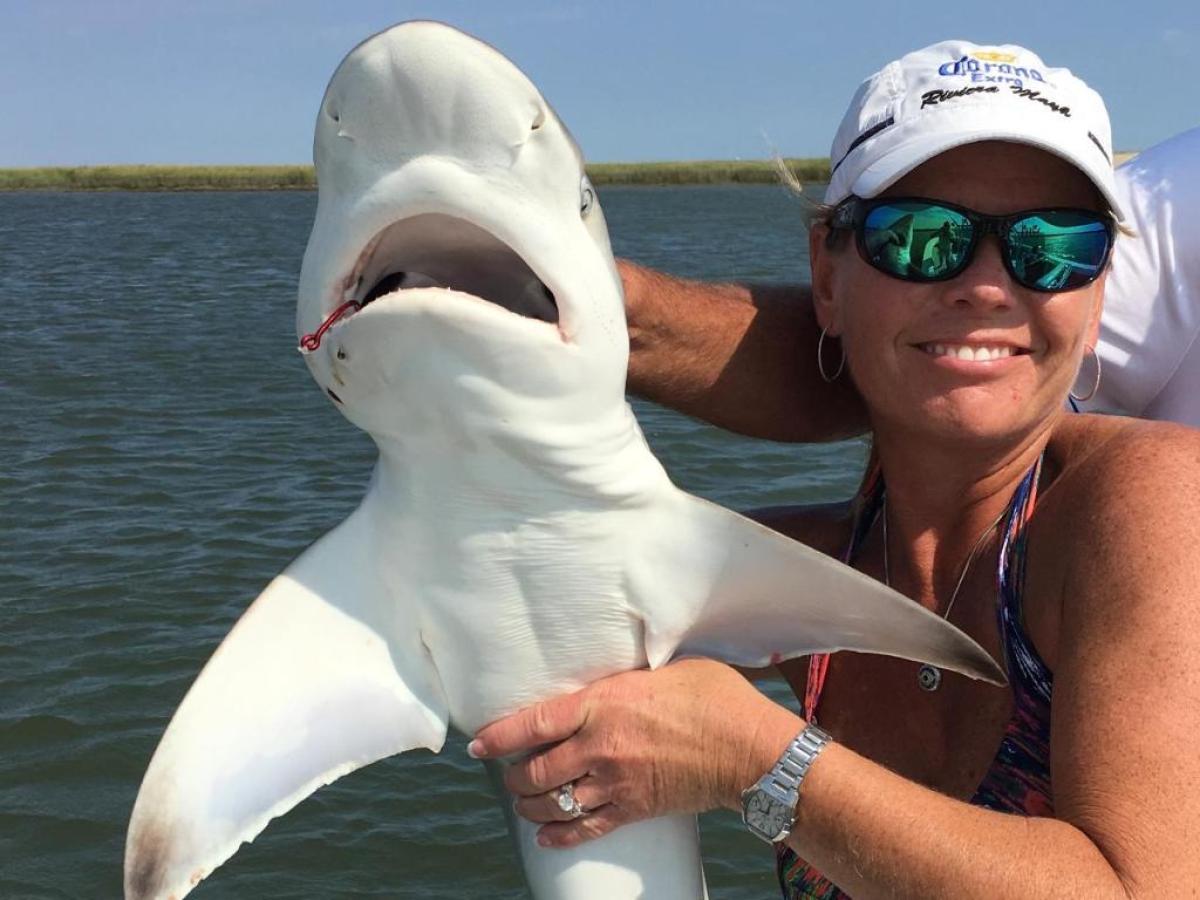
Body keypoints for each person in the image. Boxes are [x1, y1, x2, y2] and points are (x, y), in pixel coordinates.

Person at [467, 41, 1200, 896]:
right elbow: (509, 601)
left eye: (1054, 247)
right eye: (924, 239)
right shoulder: (811, 570)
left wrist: (754, 758)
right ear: (826, 272)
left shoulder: (1156, 501)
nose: (990, 287)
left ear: (1102, 287)